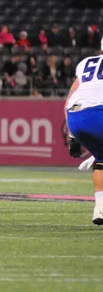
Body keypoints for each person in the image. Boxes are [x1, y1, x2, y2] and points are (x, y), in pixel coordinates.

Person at [65, 38, 103, 225]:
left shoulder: (86, 63)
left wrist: (72, 137)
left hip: (76, 118)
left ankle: (100, 209)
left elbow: (69, 100)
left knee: (101, 160)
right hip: (99, 113)